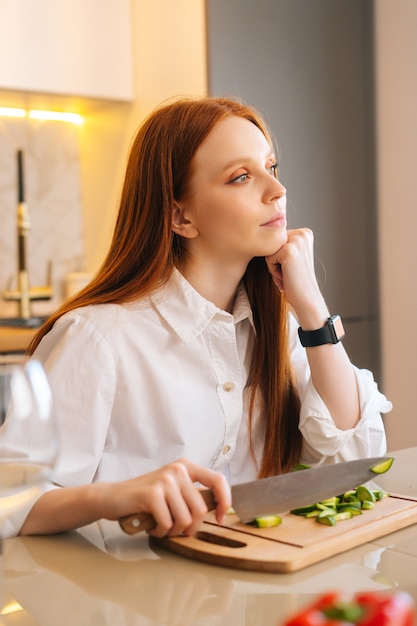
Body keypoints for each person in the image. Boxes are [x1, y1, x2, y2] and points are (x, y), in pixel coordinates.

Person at [4, 96, 391, 539]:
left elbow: (355, 456)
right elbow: (11, 500)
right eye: (241, 176)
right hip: (127, 602)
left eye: (271, 167)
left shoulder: (280, 327)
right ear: (180, 216)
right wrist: (116, 496)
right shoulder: (97, 338)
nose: (276, 190)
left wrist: (312, 309)